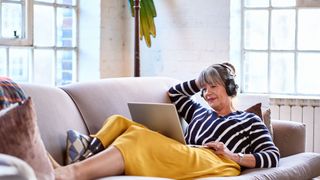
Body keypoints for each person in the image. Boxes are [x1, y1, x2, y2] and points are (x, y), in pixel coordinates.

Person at [54, 62, 280, 180]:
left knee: (137, 137)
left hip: (218, 162)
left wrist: (232, 155)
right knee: (121, 122)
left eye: (213, 86)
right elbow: (175, 93)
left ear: (230, 88)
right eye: (204, 88)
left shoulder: (248, 120)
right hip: (188, 152)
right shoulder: (199, 112)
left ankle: (71, 173)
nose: (207, 93)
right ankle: (83, 157)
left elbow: (272, 156)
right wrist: (199, 80)